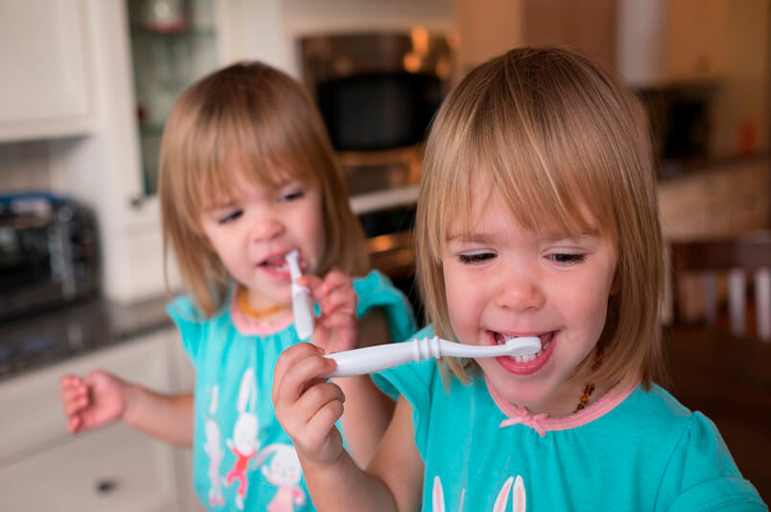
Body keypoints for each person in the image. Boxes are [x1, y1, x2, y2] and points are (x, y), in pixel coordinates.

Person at [272, 47, 768, 511]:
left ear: (622, 265)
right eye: (479, 254)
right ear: (440, 259)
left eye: (564, 255)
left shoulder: (675, 460)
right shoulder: (440, 383)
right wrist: (324, 461)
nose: (517, 295)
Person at [59, 61, 416, 511]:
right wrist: (131, 402)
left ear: (324, 191)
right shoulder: (214, 320)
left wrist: (346, 357)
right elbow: (217, 418)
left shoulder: (357, 312)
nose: (266, 228)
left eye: (288, 195)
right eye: (231, 214)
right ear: (199, 232)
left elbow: (384, 466)